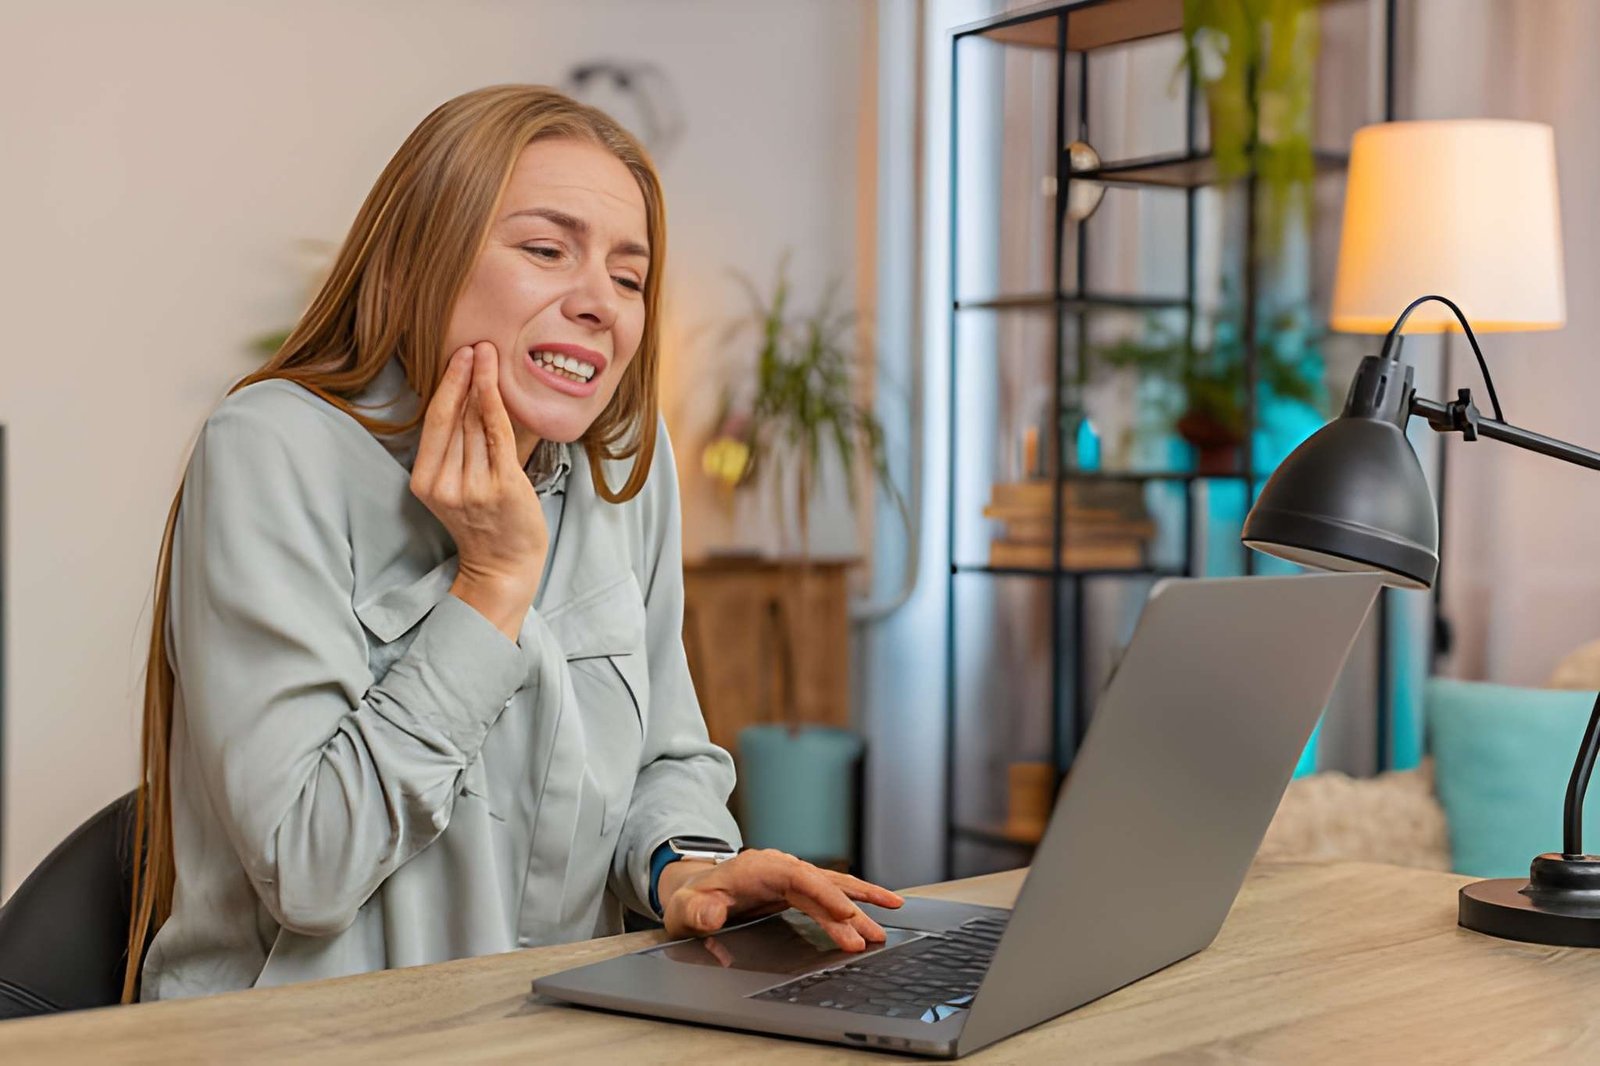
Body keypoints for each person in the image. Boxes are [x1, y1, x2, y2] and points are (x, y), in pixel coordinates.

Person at [124, 84, 901, 1003]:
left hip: (548, 1025)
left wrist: (684, 867)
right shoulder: (271, 448)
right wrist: (491, 584)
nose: (599, 305)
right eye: (546, 250)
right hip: (301, 1037)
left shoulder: (627, 469)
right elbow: (309, 866)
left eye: (628, 276)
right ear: (423, 259)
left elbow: (667, 757)